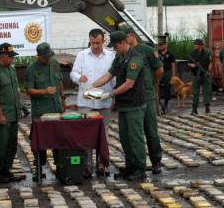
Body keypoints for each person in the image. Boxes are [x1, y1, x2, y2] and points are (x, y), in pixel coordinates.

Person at [92, 31, 147, 181]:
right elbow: (109, 75)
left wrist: (110, 94)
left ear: (123, 43)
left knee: (135, 138)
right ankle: (130, 166)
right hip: (123, 105)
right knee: (125, 138)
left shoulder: (135, 59)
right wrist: (91, 86)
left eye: (115, 46)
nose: (114, 49)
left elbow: (129, 84)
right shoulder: (119, 57)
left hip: (134, 104)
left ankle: (140, 168)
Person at [118, 24, 163, 174]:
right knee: (132, 133)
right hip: (132, 98)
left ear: (132, 35)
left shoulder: (147, 51)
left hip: (147, 96)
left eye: (124, 37)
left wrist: (150, 85)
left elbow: (159, 70)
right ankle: (132, 164)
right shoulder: (122, 54)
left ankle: (156, 160)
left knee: (150, 130)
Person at [70, 29, 115, 178]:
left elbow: (114, 78)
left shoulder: (111, 56)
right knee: (86, 135)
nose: (95, 45)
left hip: (104, 100)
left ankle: (103, 165)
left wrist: (113, 98)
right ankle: (87, 167)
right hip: (86, 101)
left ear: (104, 41)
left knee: (104, 134)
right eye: (92, 42)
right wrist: (79, 77)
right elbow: (73, 73)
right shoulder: (82, 55)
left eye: (97, 42)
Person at [24, 42, 66, 181]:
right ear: (39, 56)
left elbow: (59, 81)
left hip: (56, 108)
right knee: (39, 141)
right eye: (45, 57)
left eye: (49, 56)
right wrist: (44, 91)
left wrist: (63, 99)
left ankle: (60, 167)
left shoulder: (54, 64)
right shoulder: (31, 69)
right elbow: (29, 90)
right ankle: (39, 168)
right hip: (41, 112)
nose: (48, 59)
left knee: (59, 139)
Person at [0, 43, 25, 183]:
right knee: (0, 145)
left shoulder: (11, 70)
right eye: (10, 57)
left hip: (13, 114)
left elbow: (15, 92)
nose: (13, 59)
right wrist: (0, 114)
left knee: (12, 145)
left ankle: (6, 170)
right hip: (2, 116)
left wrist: (19, 108)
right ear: (2, 56)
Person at [188, 39, 212, 115]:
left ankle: (207, 107)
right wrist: (192, 65)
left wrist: (208, 71)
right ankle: (194, 109)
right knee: (195, 92)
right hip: (196, 75)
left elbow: (210, 63)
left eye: (196, 44)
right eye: (194, 44)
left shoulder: (207, 53)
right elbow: (188, 63)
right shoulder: (192, 53)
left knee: (206, 92)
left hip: (205, 75)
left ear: (200, 45)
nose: (194, 45)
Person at [157, 39, 175, 114]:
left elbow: (173, 65)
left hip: (167, 71)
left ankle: (166, 103)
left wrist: (173, 75)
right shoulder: (157, 53)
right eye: (159, 45)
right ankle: (158, 103)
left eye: (162, 45)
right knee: (157, 86)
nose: (160, 46)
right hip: (159, 71)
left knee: (167, 86)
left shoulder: (170, 54)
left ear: (165, 45)